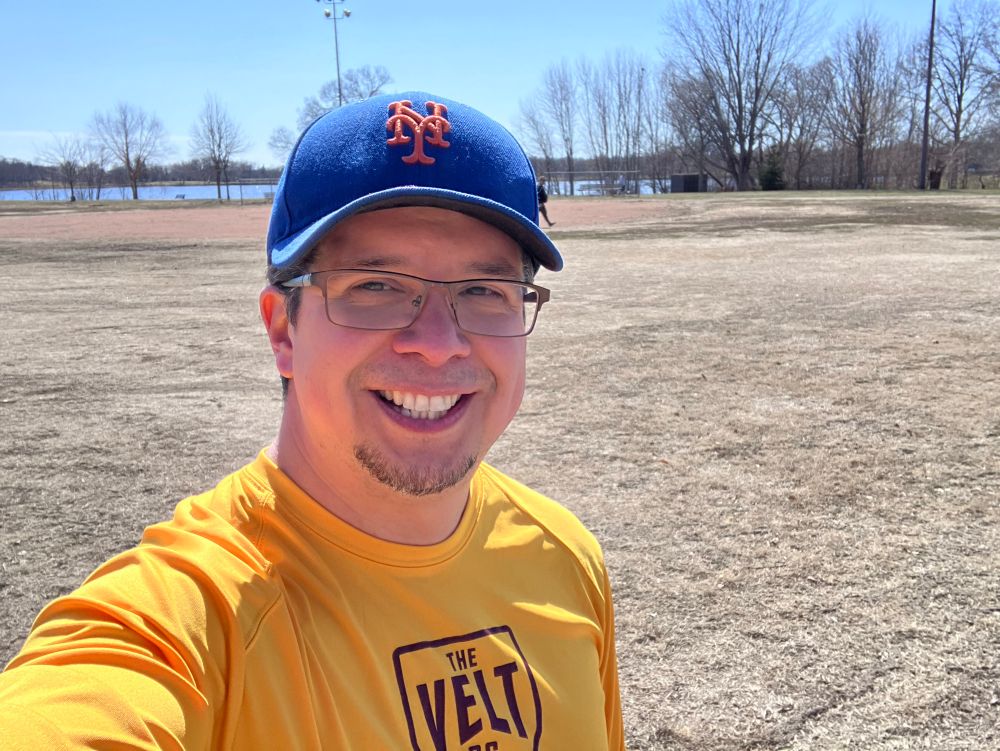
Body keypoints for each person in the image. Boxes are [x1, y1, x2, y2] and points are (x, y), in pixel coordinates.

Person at [0, 92, 624, 749]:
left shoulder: (565, 559)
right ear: (283, 331)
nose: (439, 344)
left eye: (483, 291)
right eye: (375, 286)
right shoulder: (196, 615)